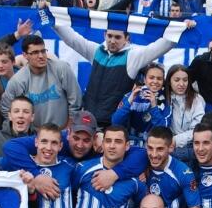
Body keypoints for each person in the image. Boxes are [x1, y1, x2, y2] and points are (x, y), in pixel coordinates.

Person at [48, 11, 192, 126]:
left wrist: (181, 27)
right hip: (87, 119)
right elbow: (72, 39)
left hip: (112, 124)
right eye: (109, 36)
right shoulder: (96, 51)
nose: (112, 41)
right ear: (104, 35)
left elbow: (160, 47)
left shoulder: (132, 57)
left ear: (127, 38)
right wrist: (51, 18)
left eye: (117, 37)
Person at [0, 34, 81, 130]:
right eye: (35, 52)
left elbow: (75, 101)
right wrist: (26, 130)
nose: (41, 56)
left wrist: (68, 128)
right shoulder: (17, 80)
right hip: (34, 135)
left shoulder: (62, 69)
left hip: (63, 131)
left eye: (43, 51)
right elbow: (6, 109)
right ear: (25, 55)